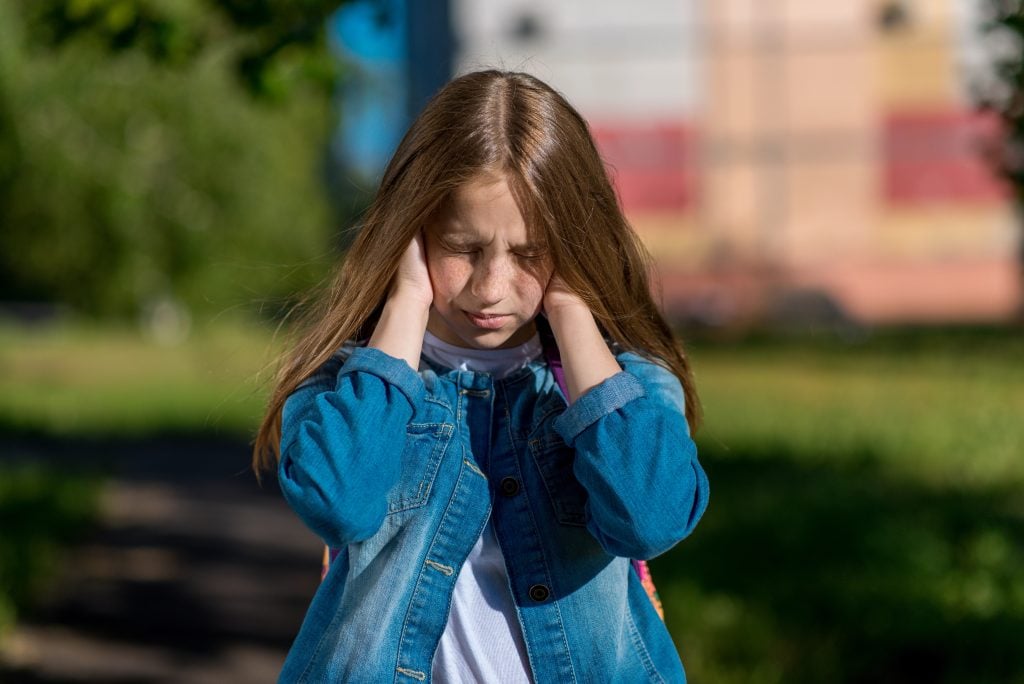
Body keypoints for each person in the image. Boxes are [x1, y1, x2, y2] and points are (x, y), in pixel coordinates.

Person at [253, 69, 710, 683]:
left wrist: (573, 310)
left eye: (530, 254)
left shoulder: (630, 386)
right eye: (463, 248)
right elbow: (340, 504)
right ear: (412, 232)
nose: (491, 288)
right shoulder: (347, 387)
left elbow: (649, 517)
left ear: (575, 243)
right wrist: (405, 303)